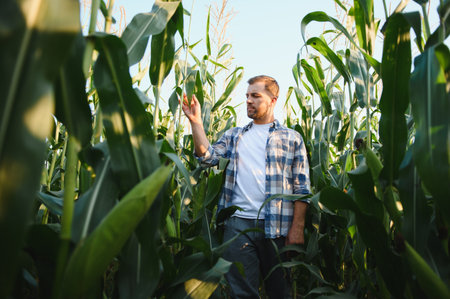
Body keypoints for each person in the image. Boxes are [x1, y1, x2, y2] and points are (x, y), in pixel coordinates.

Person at [182, 75, 311, 298]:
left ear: (273, 100)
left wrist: (297, 228)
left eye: (255, 95)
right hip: (238, 226)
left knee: (280, 292)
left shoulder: (292, 138)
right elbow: (207, 158)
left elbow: (302, 188)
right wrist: (196, 123)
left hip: (278, 227)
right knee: (241, 293)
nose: (248, 100)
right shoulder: (234, 136)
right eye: (247, 96)